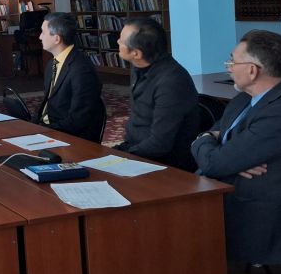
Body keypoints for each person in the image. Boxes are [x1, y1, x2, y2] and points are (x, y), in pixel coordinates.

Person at [191, 30, 281, 265]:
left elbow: (213, 162)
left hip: (251, 211)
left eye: (232, 62)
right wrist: (230, 155)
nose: (229, 68)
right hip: (221, 188)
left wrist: (210, 144)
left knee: (162, 228)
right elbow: (219, 139)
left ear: (252, 70)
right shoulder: (245, 99)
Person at [114, 17, 198, 170]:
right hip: (136, 150)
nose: (118, 42)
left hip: (166, 163)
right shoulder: (139, 66)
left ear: (136, 54)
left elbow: (160, 144)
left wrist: (123, 156)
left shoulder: (171, 82)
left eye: (121, 40)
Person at [33, 12, 103, 142]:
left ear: (57, 39)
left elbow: (78, 120)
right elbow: (49, 105)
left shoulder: (82, 69)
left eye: (43, 32)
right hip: (50, 129)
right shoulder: (51, 64)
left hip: (71, 138)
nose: (40, 37)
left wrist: (44, 131)